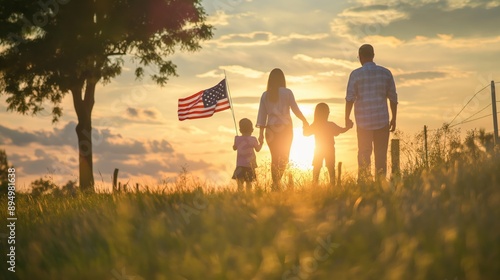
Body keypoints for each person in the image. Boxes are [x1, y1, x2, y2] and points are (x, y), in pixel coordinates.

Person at [345, 44, 398, 182]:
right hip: (382, 121)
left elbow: (350, 98)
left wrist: (347, 118)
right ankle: (380, 185)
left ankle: (363, 183)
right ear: (373, 55)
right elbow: (393, 98)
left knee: (364, 154)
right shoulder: (385, 73)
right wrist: (394, 118)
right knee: (380, 155)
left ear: (361, 57)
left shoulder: (355, 74)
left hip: (363, 122)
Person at [256, 68, 309, 190]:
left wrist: (260, 135)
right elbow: (296, 109)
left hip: (270, 130)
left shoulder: (265, 95)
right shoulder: (287, 92)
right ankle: (276, 183)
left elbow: (262, 116)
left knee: (275, 158)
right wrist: (304, 120)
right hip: (285, 130)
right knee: (284, 157)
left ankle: (275, 184)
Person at [303, 103, 352, 186]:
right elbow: (341, 130)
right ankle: (333, 184)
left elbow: (306, 133)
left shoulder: (315, 125)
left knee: (317, 167)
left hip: (318, 149)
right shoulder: (330, 125)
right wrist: (348, 126)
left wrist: (304, 125)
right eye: (328, 112)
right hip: (329, 149)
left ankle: (314, 184)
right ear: (326, 113)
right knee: (330, 167)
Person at [232, 118, 263, 191]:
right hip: (250, 166)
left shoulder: (237, 139)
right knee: (249, 184)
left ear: (240, 130)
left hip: (240, 165)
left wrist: (235, 145)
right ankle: (248, 197)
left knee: (240, 184)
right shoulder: (253, 139)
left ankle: (239, 197)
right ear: (252, 129)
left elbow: (234, 148)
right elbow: (258, 149)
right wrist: (261, 143)